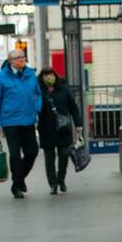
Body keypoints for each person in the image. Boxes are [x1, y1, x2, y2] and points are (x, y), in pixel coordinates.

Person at [0, 49, 41, 199]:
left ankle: (18, 179)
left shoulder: (31, 74)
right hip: (10, 121)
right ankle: (17, 186)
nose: (22, 59)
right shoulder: (0, 77)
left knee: (32, 151)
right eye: (18, 58)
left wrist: (36, 107)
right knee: (15, 154)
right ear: (10, 61)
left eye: (23, 57)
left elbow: (38, 94)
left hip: (28, 120)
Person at [35, 67, 82, 195]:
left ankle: (61, 179)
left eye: (50, 74)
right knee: (49, 158)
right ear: (41, 78)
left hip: (63, 129)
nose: (48, 77)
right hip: (46, 129)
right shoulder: (39, 91)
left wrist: (78, 124)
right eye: (45, 75)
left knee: (64, 156)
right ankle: (53, 184)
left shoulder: (64, 89)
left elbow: (73, 107)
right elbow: (35, 108)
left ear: (55, 75)